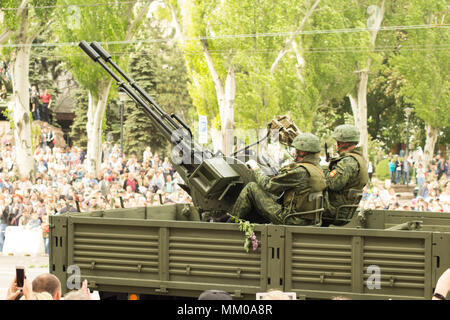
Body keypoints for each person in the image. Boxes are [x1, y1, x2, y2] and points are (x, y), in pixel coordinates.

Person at [230, 132, 326, 226]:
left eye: (296, 149)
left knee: (251, 187)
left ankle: (230, 224)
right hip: (309, 219)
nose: (294, 152)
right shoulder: (317, 169)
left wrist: (255, 168)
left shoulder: (300, 171)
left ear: (302, 152)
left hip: (290, 219)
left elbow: (268, 185)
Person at [323, 124, 368, 225]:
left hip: (333, 210)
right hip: (341, 209)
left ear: (343, 143)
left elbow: (333, 184)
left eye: (337, 142)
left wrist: (324, 168)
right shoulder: (358, 158)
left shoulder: (348, 161)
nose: (335, 144)